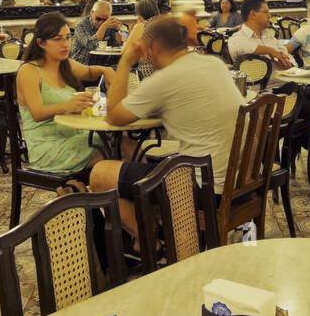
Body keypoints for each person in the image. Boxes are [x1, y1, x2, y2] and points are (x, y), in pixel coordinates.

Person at [92, 16, 242, 243]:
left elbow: (113, 116)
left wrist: (125, 61)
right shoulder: (214, 64)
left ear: (154, 47)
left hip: (204, 188)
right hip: (237, 182)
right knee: (141, 163)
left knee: (101, 174)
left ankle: (149, 244)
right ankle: (163, 231)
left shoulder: (164, 80)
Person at [15, 12, 113, 178]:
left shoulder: (64, 64)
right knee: (113, 150)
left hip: (74, 137)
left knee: (119, 141)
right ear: (41, 43)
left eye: (68, 38)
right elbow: (37, 113)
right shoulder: (29, 71)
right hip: (47, 148)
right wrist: (67, 106)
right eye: (58, 39)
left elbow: (89, 72)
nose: (65, 44)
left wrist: (106, 70)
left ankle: (83, 192)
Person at [228, 0, 293, 76]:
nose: (269, 16)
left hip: (286, 81)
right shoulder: (237, 38)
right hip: (262, 87)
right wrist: (271, 51)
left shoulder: (268, 35)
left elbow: (285, 54)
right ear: (253, 14)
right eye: (266, 12)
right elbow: (245, 47)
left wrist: (288, 64)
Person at [70, 0, 124, 64]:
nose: (101, 22)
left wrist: (117, 30)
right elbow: (90, 45)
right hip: (82, 64)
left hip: (102, 64)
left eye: (104, 20)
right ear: (92, 12)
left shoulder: (109, 24)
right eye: (98, 19)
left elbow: (117, 45)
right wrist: (104, 26)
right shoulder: (81, 24)